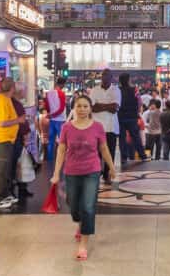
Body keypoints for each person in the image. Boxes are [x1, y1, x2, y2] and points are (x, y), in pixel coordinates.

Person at [51, 96, 118, 260]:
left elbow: (103, 148)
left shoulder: (97, 127)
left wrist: (111, 167)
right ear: (73, 108)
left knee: (88, 206)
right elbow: (61, 150)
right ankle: (80, 222)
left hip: (92, 171)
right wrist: (55, 173)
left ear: (90, 109)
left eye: (85, 106)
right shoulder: (67, 127)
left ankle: (83, 244)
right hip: (71, 171)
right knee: (73, 206)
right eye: (78, 106)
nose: (81, 109)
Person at [0, 78, 24, 210]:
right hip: (2, 140)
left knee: (6, 170)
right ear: (12, 88)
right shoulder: (2, 100)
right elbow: (2, 122)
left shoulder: (5, 99)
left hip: (8, 139)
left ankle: (3, 195)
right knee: (1, 170)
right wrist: (18, 120)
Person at [89, 68, 121, 183]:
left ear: (112, 78)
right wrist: (108, 105)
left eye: (108, 76)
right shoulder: (94, 90)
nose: (105, 77)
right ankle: (96, 174)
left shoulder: (116, 90)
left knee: (110, 152)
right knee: (96, 153)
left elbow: (115, 108)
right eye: (103, 75)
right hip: (96, 127)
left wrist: (99, 105)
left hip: (111, 127)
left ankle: (107, 174)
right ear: (101, 77)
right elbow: (92, 108)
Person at [118, 73, 146, 166]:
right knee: (136, 137)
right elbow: (139, 102)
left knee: (122, 138)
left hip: (120, 117)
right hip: (132, 117)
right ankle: (142, 155)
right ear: (128, 80)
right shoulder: (134, 89)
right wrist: (137, 112)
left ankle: (123, 158)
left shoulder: (118, 90)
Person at [45, 77, 69, 163]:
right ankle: (63, 159)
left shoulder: (48, 93)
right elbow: (61, 108)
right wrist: (53, 115)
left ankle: (50, 159)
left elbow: (47, 106)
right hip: (60, 120)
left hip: (52, 120)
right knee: (62, 141)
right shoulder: (61, 93)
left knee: (51, 140)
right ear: (62, 84)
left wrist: (50, 115)